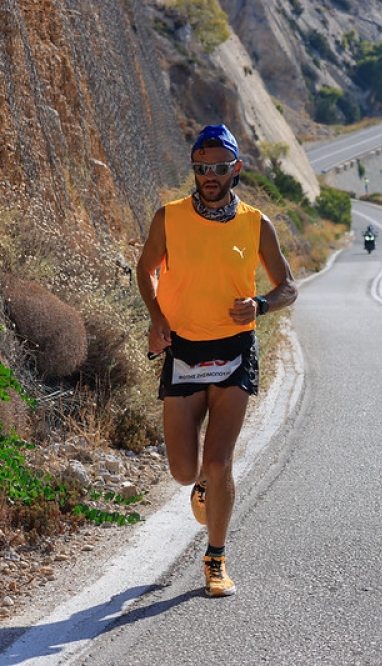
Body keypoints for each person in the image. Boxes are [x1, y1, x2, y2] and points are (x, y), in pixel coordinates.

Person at [136, 124, 297, 597]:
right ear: (195, 169)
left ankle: (216, 559)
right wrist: (156, 317)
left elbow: (288, 287)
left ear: (236, 170)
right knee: (185, 471)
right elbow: (145, 269)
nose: (210, 176)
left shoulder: (256, 223)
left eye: (219, 168)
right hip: (183, 349)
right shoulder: (168, 218)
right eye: (202, 168)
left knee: (220, 462)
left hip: (234, 350)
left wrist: (261, 305)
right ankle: (200, 486)